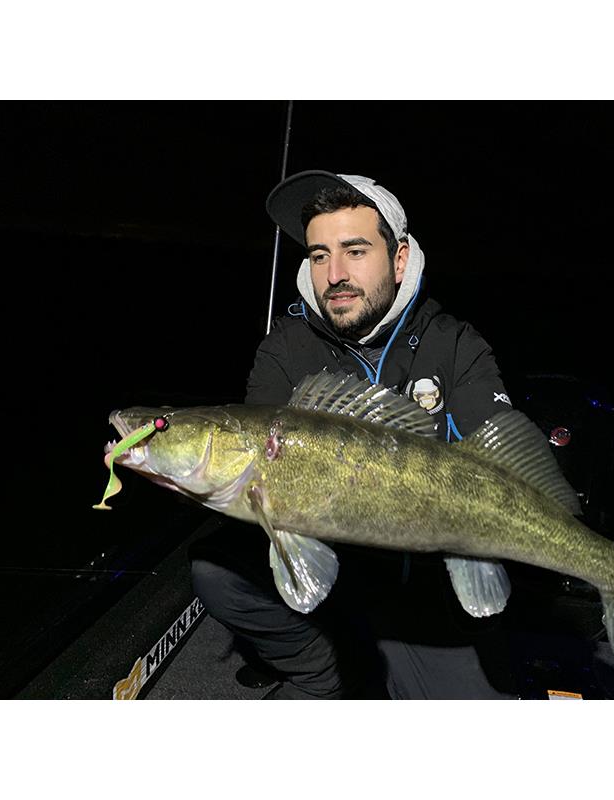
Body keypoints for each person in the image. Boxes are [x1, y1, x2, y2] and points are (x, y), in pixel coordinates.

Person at [189, 171, 518, 698]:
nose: (335, 274)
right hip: (321, 562)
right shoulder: (285, 348)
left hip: (419, 581)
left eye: (355, 251)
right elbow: (255, 469)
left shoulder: (455, 345)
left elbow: (503, 462)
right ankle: (321, 671)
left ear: (400, 258)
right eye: (319, 255)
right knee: (216, 569)